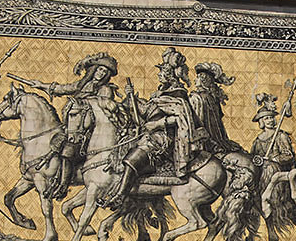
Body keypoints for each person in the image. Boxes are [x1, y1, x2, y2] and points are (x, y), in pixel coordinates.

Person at [104, 47, 202, 207]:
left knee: (131, 160)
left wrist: (157, 124)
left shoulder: (177, 94)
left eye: (161, 72)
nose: (158, 75)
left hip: (163, 139)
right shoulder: (160, 94)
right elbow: (141, 117)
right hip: (150, 136)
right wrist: (131, 98)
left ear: (169, 75)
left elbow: (180, 119)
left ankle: (120, 196)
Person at [21, 53, 119, 199]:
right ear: (94, 70)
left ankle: (62, 186)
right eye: (99, 70)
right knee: (54, 143)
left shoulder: (105, 90)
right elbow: (64, 88)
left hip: (92, 131)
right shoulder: (83, 84)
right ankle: (54, 177)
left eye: (104, 72)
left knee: (68, 151)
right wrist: (41, 85)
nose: (101, 73)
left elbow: (103, 107)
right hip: (73, 126)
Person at [251, 93, 296, 241]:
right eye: (266, 119)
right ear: (260, 122)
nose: (270, 120)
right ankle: (272, 238)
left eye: (271, 117)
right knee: (265, 208)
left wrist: (273, 157)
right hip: (263, 178)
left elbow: (289, 156)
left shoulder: (281, 136)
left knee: (288, 208)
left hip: (280, 178)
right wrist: (257, 160)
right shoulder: (258, 140)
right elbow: (254, 158)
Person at [190, 62, 242, 157]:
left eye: (197, 77)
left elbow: (197, 121)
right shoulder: (212, 97)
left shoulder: (196, 97)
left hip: (206, 140)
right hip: (218, 138)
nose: (195, 80)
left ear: (204, 80)